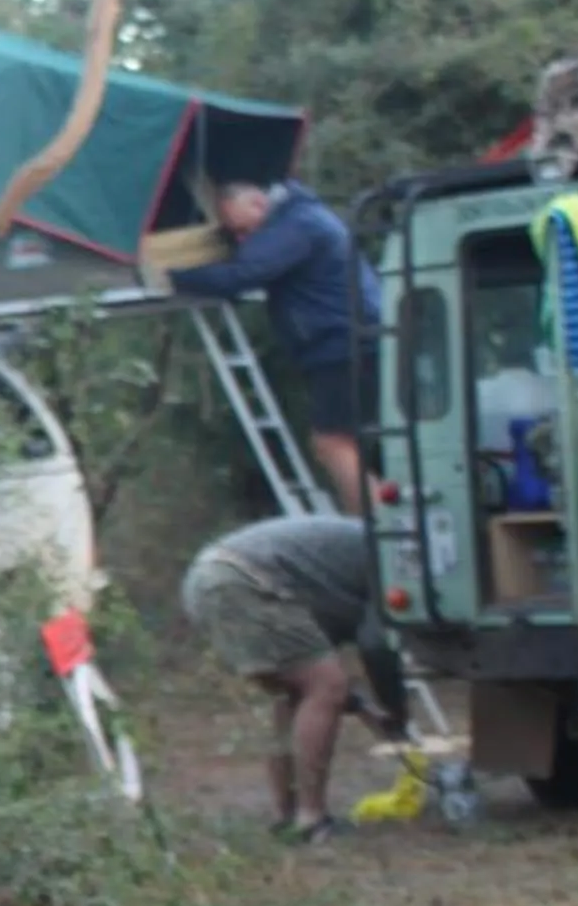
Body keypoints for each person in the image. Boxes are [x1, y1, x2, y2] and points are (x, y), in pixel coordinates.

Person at [180, 514, 410, 844]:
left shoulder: (343, 569)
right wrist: (397, 713)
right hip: (243, 580)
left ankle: (289, 816)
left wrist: (365, 706)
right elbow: (376, 645)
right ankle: (311, 818)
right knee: (324, 686)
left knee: (297, 694)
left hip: (206, 580)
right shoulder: (395, 557)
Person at [166, 179, 386, 512]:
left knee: (333, 442)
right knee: (344, 442)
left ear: (258, 204)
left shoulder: (296, 225)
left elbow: (242, 274)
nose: (242, 241)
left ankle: (376, 527)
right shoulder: (305, 219)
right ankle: (378, 517)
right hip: (349, 341)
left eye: (242, 230)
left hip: (342, 345)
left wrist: (172, 276)